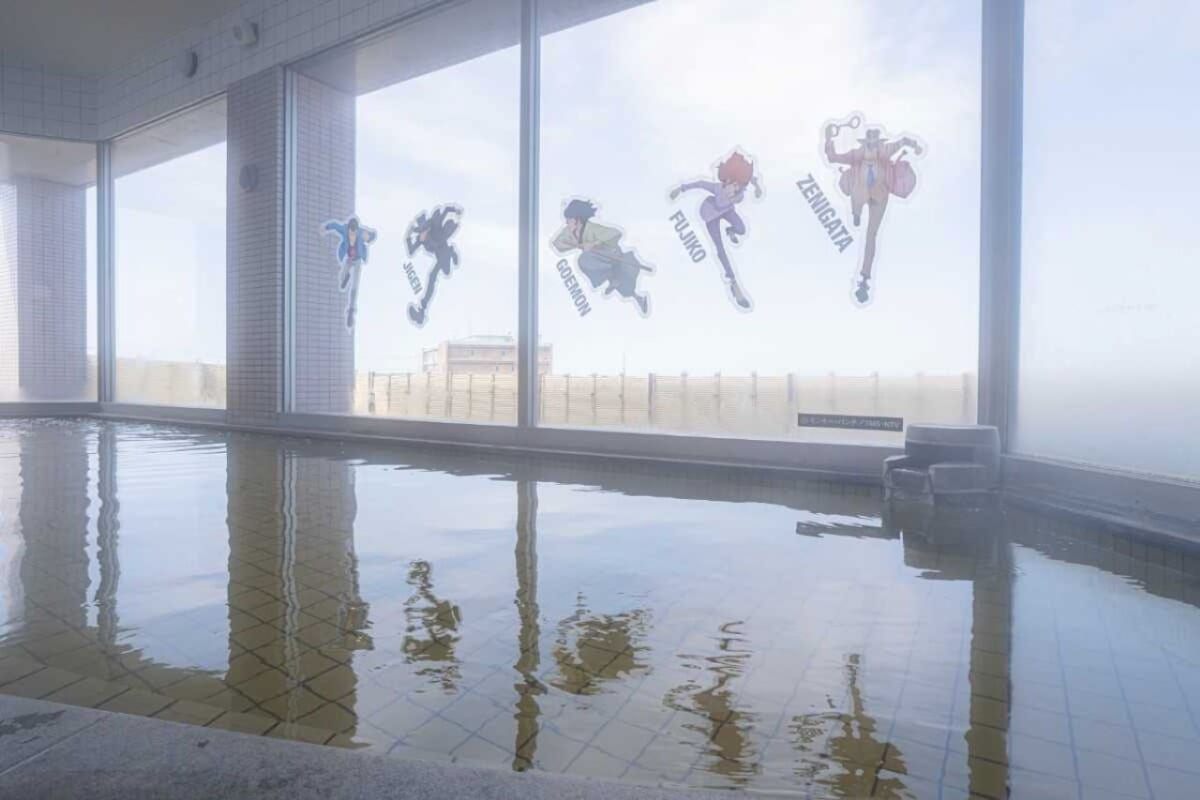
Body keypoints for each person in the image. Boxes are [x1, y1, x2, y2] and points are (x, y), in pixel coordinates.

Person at [825, 123, 923, 304]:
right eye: (869, 143)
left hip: (879, 196)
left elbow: (902, 141)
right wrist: (828, 138)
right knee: (857, 192)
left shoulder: (885, 151)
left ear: (878, 143)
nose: (872, 146)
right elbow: (833, 157)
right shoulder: (857, 155)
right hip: (861, 192)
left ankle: (865, 274)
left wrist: (914, 146)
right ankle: (856, 212)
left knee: (871, 235)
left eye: (875, 143)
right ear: (864, 143)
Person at [670, 152, 762, 310]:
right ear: (727, 181)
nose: (733, 190)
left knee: (741, 229)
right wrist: (680, 189)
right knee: (720, 248)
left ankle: (730, 231)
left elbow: (751, 183)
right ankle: (733, 282)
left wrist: (757, 187)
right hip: (711, 213)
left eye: (737, 188)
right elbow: (700, 183)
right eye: (732, 186)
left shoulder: (739, 194)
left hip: (727, 211)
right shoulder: (717, 188)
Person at [550, 199, 652, 316]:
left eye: (569, 220)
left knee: (585, 259)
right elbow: (557, 244)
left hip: (611, 256)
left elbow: (616, 233)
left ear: (577, 220)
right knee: (586, 261)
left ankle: (625, 286)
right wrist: (576, 245)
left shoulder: (592, 228)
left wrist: (594, 243)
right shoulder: (569, 231)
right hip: (599, 263)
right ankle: (622, 285)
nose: (567, 223)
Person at [406, 204, 463, 327]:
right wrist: (408, 236)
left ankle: (452, 251)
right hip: (440, 255)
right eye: (421, 236)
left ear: (426, 229)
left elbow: (445, 210)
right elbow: (411, 251)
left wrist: (455, 210)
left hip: (444, 250)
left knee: (438, 273)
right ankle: (422, 310)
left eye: (423, 234)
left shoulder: (434, 224)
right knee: (441, 273)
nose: (422, 238)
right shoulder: (420, 239)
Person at [322, 215, 377, 330]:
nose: (352, 236)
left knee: (355, 286)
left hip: (357, 260)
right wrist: (326, 228)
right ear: (348, 229)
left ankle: (351, 310)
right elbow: (335, 225)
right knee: (342, 280)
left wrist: (371, 236)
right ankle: (345, 278)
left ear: (357, 230)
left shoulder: (361, 232)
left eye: (354, 233)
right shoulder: (344, 229)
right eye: (350, 233)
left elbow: (371, 235)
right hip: (349, 259)